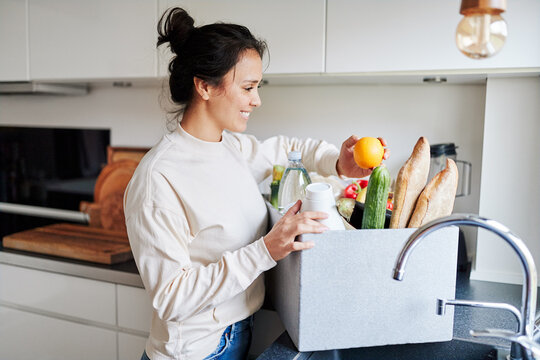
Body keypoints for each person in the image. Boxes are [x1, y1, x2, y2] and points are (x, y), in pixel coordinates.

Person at [124, 7, 389, 360]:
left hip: (237, 336)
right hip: (196, 352)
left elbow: (288, 150)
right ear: (204, 85)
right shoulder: (158, 178)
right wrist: (265, 250)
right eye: (248, 87)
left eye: (257, 87)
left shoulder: (229, 146)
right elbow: (172, 297)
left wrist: (338, 162)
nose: (257, 100)